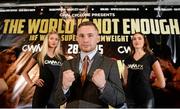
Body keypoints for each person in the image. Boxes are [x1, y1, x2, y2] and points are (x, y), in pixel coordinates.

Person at [55, 21, 126, 108]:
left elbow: (119, 101)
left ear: (98, 38)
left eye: (90, 35)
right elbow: (56, 100)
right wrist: (64, 87)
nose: (85, 40)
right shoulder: (66, 64)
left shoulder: (110, 63)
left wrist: (103, 86)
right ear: (77, 38)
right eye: (81, 36)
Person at [22, 31, 66, 108]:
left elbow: (66, 75)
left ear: (58, 42)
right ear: (47, 40)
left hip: (55, 93)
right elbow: (24, 72)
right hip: (41, 92)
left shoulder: (62, 58)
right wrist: (31, 83)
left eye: (56, 39)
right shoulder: (39, 55)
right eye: (51, 38)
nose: (54, 41)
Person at [123, 32, 165, 108]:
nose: (137, 41)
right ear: (132, 42)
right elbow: (125, 81)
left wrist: (149, 85)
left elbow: (162, 84)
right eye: (134, 39)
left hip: (146, 99)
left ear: (144, 41)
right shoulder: (128, 59)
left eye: (139, 38)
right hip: (130, 100)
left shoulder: (151, 58)